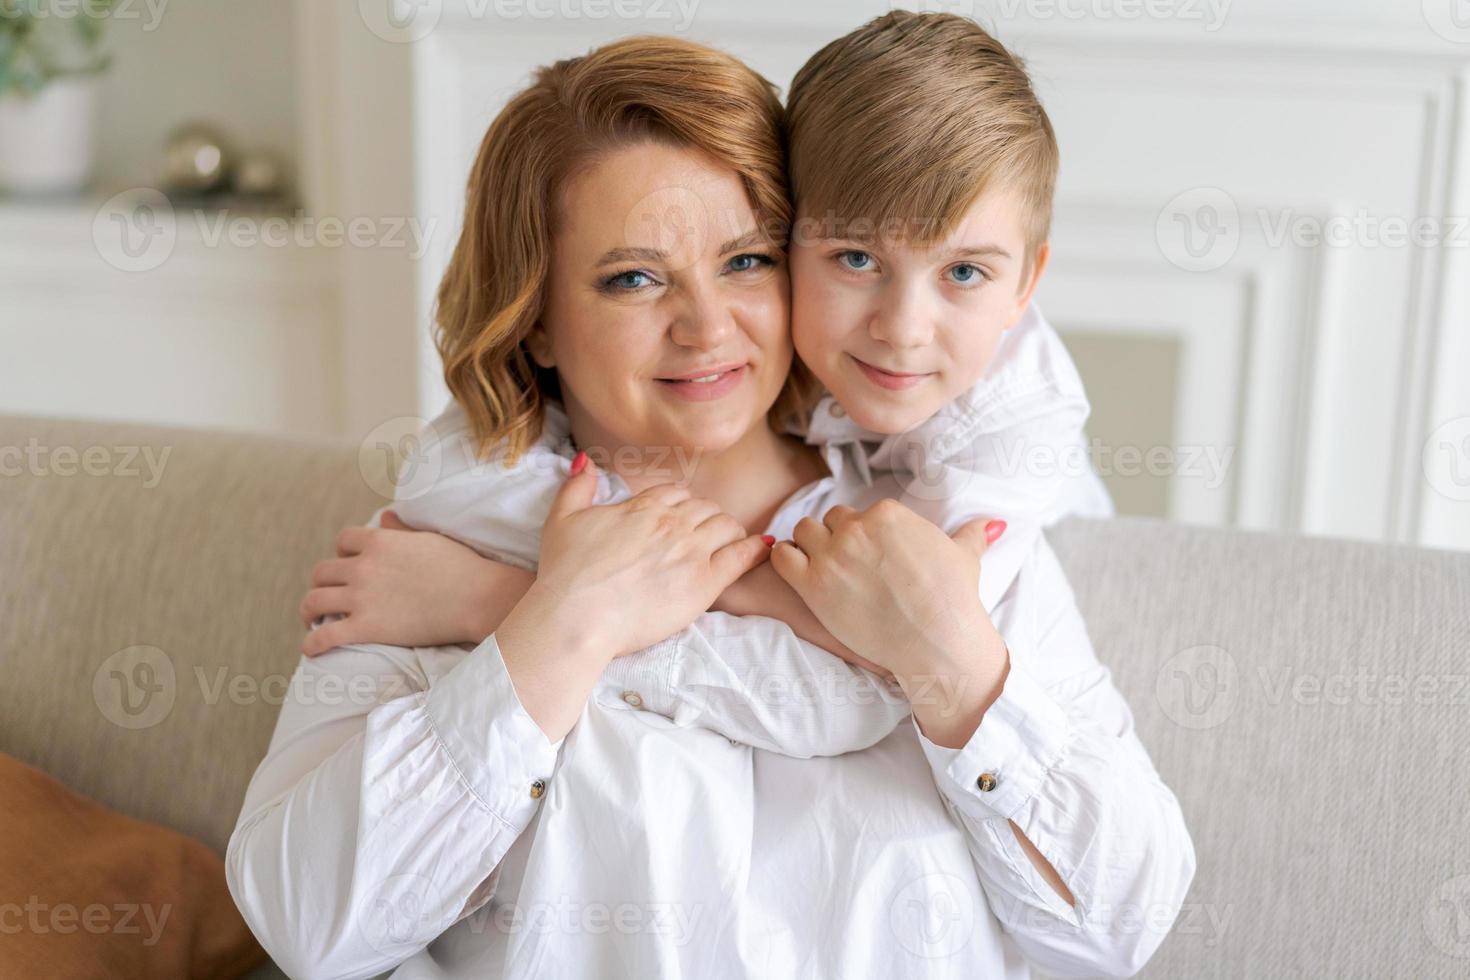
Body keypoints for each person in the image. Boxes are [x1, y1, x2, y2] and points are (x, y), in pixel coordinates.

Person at [230, 19, 1194, 980]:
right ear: (538, 324)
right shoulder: (444, 537)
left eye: (745, 261)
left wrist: (958, 668)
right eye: (634, 278)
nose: (706, 328)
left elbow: (1120, 927)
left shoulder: (943, 538)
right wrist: (558, 624)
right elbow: (311, 927)